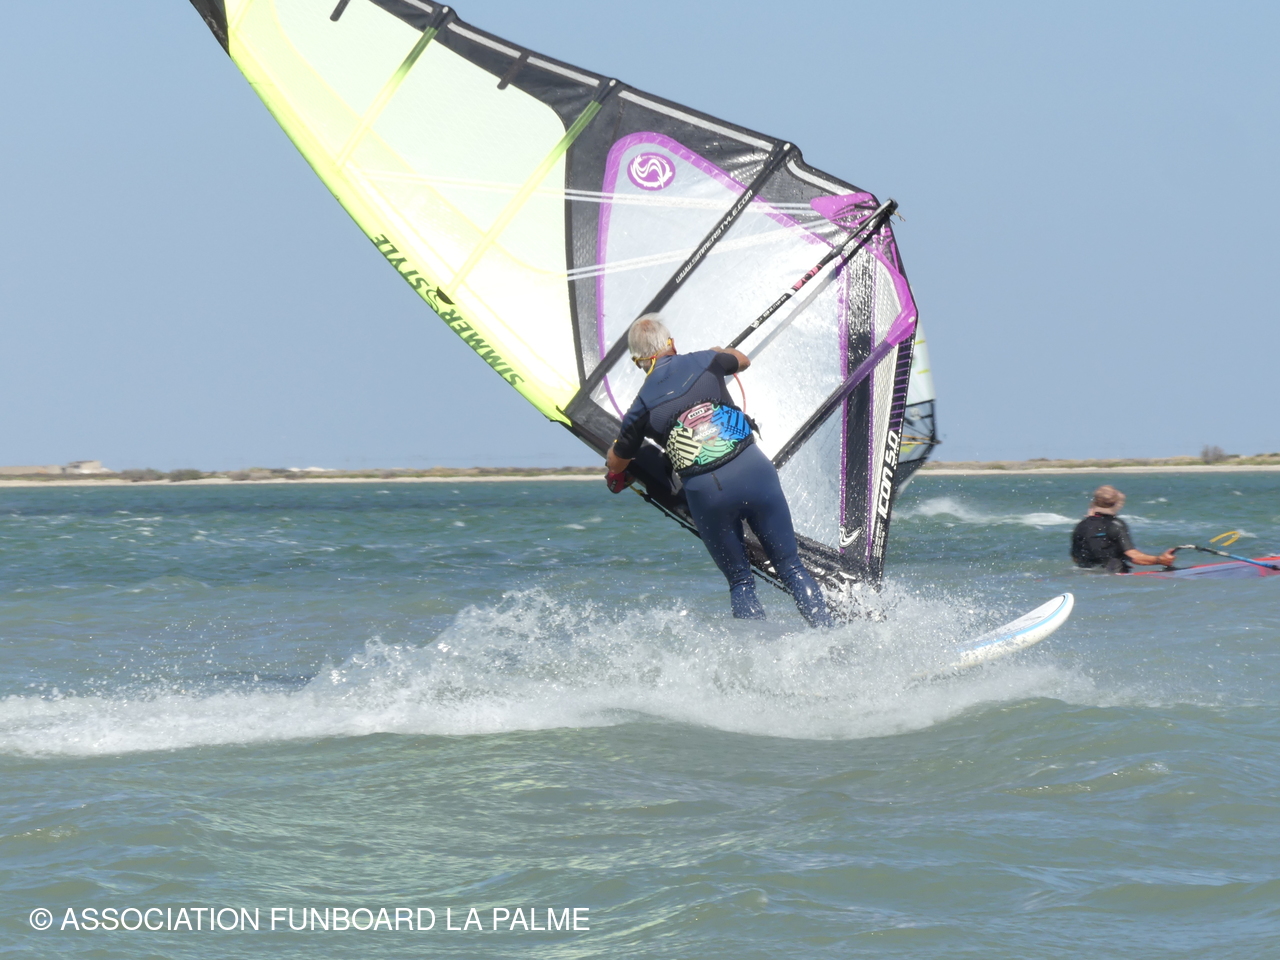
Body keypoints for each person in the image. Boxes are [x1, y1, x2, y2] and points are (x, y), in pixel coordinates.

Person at [604, 314, 833, 627]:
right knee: (791, 567)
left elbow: (617, 463)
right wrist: (717, 352)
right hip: (754, 471)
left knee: (740, 582)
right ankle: (828, 635)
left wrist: (615, 453)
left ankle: (755, 653)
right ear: (671, 344)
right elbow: (742, 360)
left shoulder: (640, 406)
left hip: (708, 492)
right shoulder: (706, 360)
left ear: (638, 362)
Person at [1070, 485, 1176, 573]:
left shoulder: (1081, 525)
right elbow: (1134, 557)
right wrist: (1160, 560)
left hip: (1088, 577)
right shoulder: (1115, 524)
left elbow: (1076, 558)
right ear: (1118, 504)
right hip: (1114, 578)